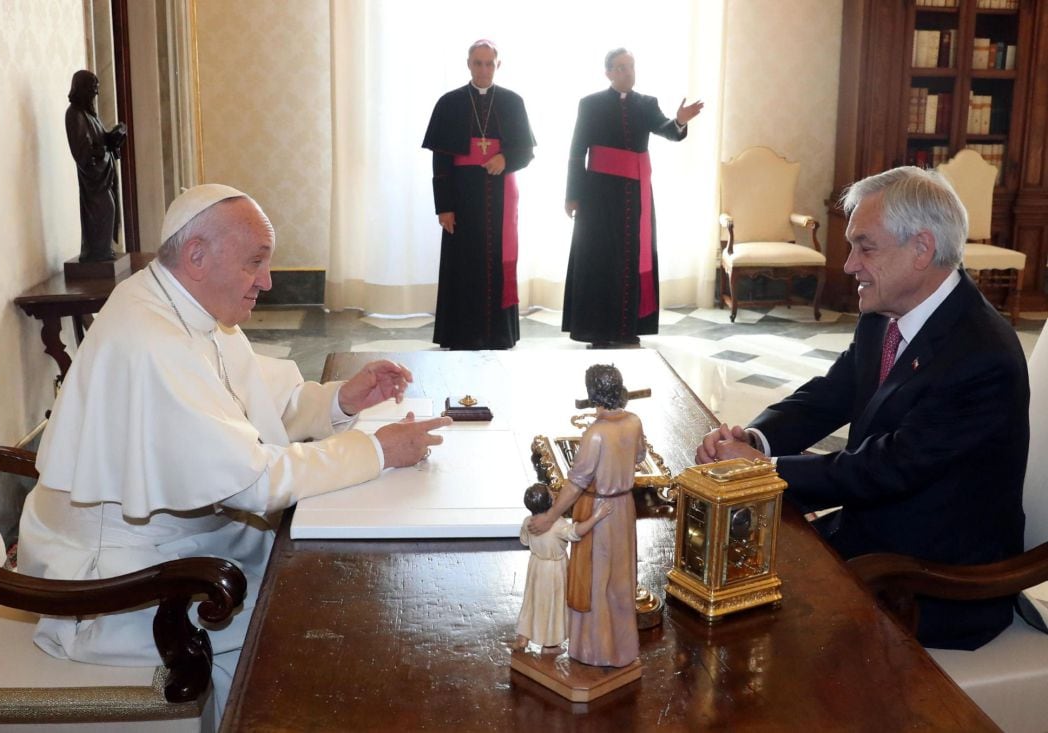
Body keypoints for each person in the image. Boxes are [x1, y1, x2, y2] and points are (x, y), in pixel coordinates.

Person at [17, 184, 452, 724]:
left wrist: (339, 399)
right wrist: (376, 451)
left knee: (337, 581)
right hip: (122, 588)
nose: (267, 283)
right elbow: (253, 481)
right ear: (197, 256)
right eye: (256, 263)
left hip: (185, 543)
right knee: (317, 618)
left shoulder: (185, 304)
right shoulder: (151, 337)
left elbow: (255, 408)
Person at [695, 166, 1029, 651]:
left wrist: (764, 472)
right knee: (713, 574)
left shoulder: (981, 356)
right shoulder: (886, 310)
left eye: (865, 247)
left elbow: (888, 467)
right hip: (873, 536)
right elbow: (832, 393)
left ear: (922, 248)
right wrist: (756, 439)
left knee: (742, 627)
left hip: (933, 581)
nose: (849, 264)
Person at [562, 49, 703, 348]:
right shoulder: (590, 104)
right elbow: (577, 151)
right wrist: (572, 195)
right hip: (598, 194)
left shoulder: (646, 103)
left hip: (634, 196)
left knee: (630, 258)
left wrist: (679, 120)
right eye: (621, 68)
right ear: (609, 73)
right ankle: (597, 329)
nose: (628, 72)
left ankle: (627, 328)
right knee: (599, 258)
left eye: (631, 66)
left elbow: (669, 131)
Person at [421, 40, 536, 349]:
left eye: (489, 63)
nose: (483, 69)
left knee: (498, 263)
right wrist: (444, 207)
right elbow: (441, 161)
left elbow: (526, 152)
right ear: (468, 64)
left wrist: (506, 159)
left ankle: (499, 334)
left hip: (500, 197)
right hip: (462, 196)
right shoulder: (450, 103)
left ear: (498, 65)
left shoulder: (513, 102)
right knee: (463, 266)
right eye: (477, 63)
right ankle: (461, 334)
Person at [529, 364, 646, 667]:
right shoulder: (634, 421)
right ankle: (622, 649)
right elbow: (640, 457)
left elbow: (575, 482)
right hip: (625, 508)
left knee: (596, 581)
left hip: (598, 511)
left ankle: (596, 650)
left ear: (593, 394)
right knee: (621, 580)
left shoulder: (595, 434)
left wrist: (551, 516)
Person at [513, 482, 612, 654]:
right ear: (550, 502)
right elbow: (577, 532)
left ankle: (524, 636)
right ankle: (550, 645)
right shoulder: (557, 525)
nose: (555, 495)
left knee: (532, 601)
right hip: (554, 570)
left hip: (536, 566)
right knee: (553, 604)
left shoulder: (528, 522)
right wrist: (596, 516)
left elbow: (524, 541)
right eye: (551, 494)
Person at [65, 69, 126, 262]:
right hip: (94, 179)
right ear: (82, 88)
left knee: (110, 208)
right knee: (103, 209)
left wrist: (114, 136)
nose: (96, 93)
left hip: (103, 175)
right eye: (93, 88)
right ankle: (97, 252)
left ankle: (102, 250)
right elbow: (82, 151)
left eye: (97, 88)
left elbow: (100, 139)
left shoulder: (90, 114)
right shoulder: (74, 114)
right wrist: (102, 150)